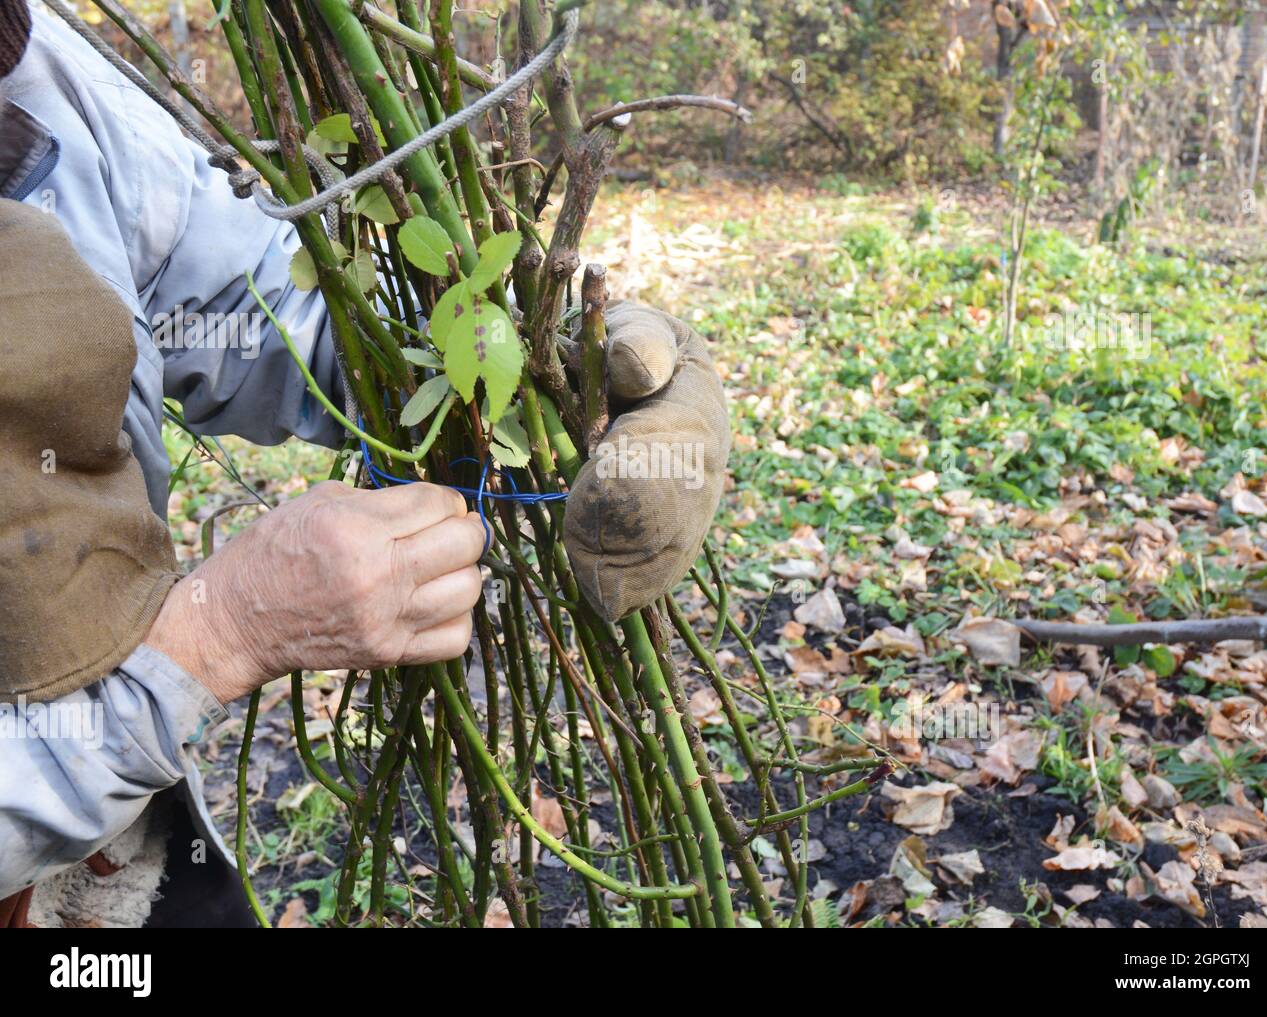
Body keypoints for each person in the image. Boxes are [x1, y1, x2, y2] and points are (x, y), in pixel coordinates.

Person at [0, 1, 728, 925]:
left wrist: (536, 366)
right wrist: (212, 638)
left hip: (112, 852)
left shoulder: (35, 71)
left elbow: (244, 297)